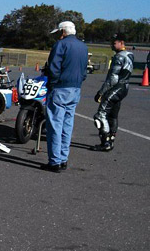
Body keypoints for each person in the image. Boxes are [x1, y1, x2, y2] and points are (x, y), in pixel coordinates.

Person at [41, 21, 88, 172]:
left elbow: (53, 67)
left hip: (60, 88)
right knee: (67, 125)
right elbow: (84, 70)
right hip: (76, 88)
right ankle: (63, 158)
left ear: (63, 31)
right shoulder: (83, 46)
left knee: (55, 125)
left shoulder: (60, 45)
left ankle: (54, 161)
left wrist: (52, 83)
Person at [92, 33, 135, 152]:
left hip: (117, 87)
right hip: (124, 87)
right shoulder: (129, 55)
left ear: (121, 42)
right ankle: (110, 140)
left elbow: (112, 78)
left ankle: (105, 142)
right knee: (113, 115)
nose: (112, 44)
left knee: (100, 115)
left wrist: (101, 92)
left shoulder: (119, 56)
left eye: (114, 42)